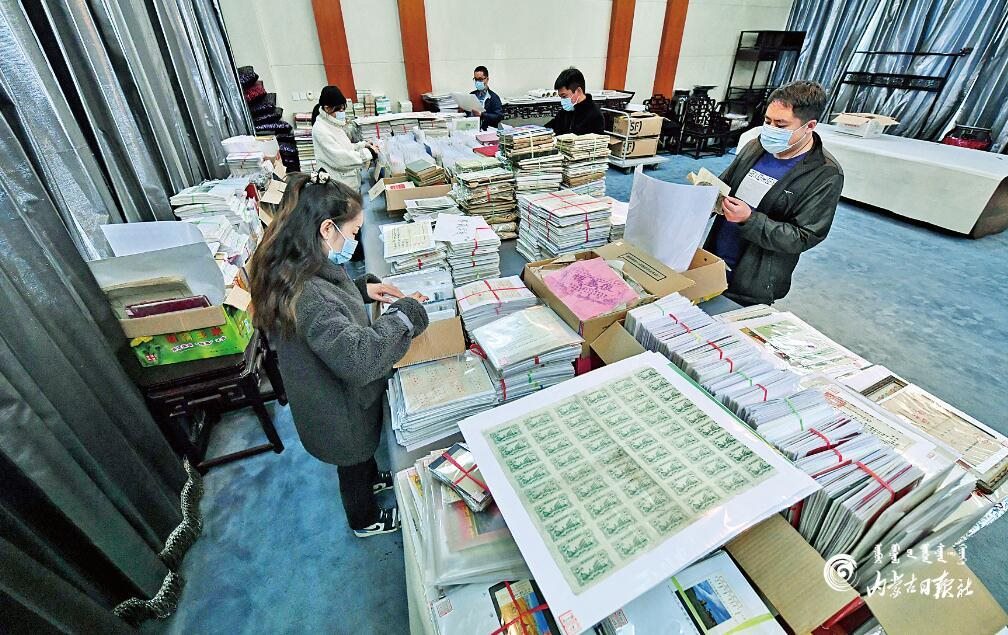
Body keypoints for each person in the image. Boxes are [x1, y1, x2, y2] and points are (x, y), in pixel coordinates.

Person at [249, 170, 430, 537]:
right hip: (338, 410)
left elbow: (329, 305)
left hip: (327, 398)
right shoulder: (309, 293)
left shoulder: (296, 265)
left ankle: (369, 475)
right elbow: (359, 358)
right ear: (326, 229)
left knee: (359, 460)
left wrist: (363, 289)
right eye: (353, 232)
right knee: (352, 462)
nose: (355, 240)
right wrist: (405, 316)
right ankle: (364, 520)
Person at [704, 80, 843, 306]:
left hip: (754, 277)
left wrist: (750, 219)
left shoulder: (824, 173)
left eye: (780, 125)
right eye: (767, 121)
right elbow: (725, 184)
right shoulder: (756, 146)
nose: (770, 130)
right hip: (715, 259)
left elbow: (803, 236)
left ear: (809, 126)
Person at [311, 86, 379, 190]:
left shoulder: (332, 123)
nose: (342, 113)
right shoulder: (320, 129)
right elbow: (340, 158)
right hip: (338, 185)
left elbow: (344, 147)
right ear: (327, 108)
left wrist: (362, 145)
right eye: (338, 109)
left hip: (347, 180)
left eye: (343, 109)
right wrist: (369, 153)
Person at [544, 67, 604, 135]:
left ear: (578, 91)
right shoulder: (564, 112)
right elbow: (549, 128)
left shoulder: (595, 116)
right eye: (561, 97)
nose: (562, 101)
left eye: (564, 96)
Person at [469, 65, 504, 130]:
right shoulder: (472, 95)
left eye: (480, 79)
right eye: (476, 79)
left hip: (488, 130)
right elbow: (469, 114)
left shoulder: (493, 97)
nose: (477, 82)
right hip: (472, 129)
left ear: (487, 79)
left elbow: (499, 116)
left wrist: (482, 114)